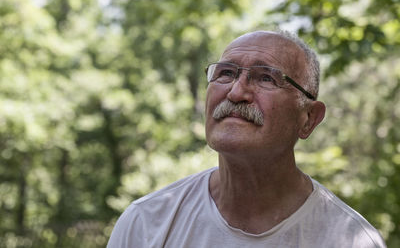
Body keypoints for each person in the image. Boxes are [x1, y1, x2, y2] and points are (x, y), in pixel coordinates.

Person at [107, 30, 386, 247]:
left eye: (265, 78)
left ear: (308, 119)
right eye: (226, 73)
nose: (236, 92)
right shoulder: (146, 224)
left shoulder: (350, 240)